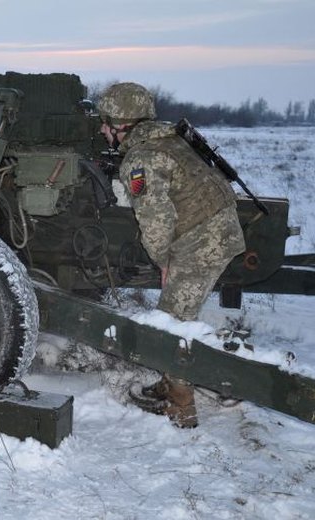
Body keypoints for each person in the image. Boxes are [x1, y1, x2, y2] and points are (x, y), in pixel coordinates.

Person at [97, 82, 246, 428]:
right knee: (174, 315)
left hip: (204, 241)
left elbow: (156, 220)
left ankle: (181, 408)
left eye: (106, 123)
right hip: (212, 229)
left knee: (171, 323)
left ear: (121, 125)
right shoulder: (168, 138)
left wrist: (163, 260)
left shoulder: (141, 160)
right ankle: (170, 383)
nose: (102, 129)